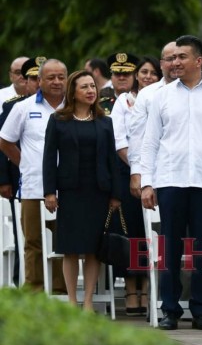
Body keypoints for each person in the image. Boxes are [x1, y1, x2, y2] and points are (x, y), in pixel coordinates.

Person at [140, 35, 202, 331]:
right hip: (171, 179)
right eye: (173, 57)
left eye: (182, 57)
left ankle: (200, 310)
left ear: (199, 61)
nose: (175, 62)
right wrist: (147, 182)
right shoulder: (162, 96)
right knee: (170, 247)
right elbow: (150, 142)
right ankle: (170, 310)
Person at [42, 70, 121, 311]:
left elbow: (112, 160)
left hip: (98, 191)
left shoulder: (104, 122)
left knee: (93, 249)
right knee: (70, 248)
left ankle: (87, 302)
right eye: (84, 87)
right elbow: (48, 158)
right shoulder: (58, 120)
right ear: (73, 93)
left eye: (92, 86)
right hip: (70, 192)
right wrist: (49, 192)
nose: (90, 91)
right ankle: (72, 302)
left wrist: (116, 194)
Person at [0, 59, 68, 292]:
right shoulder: (24, 107)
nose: (57, 82)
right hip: (33, 186)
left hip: (68, 188)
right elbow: (5, 141)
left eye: (61, 77)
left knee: (64, 242)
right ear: (39, 80)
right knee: (33, 241)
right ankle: (34, 292)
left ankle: (61, 292)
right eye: (51, 77)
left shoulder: (74, 108)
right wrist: (25, 164)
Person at [111, 56, 162, 316]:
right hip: (129, 175)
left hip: (159, 175)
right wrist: (138, 171)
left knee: (153, 235)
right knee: (133, 235)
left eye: (153, 72)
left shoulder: (162, 96)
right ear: (136, 75)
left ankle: (153, 291)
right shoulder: (124, 101)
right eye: (144, 72)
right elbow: (120, 141)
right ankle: (132, 290)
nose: (148, 76)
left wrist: (149, 172)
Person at [0, 56, 45, 287]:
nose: (38, 82)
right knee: (29, 237)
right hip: (23, 179)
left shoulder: (64, 105)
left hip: (59, 182)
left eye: (41, 77)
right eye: (33, 78)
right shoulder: (13, 106)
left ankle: (57, 288)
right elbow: (4, 144)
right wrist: (6, 178)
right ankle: (28, 284)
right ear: (25, 81)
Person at [128, 41, 179, 199]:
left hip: (196, 176)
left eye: (179, 57)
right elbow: (137, 136)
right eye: (170, 59)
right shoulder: (147, 94)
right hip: (159, 175)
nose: (175, 63)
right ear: (162, 64)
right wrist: (136, 172)